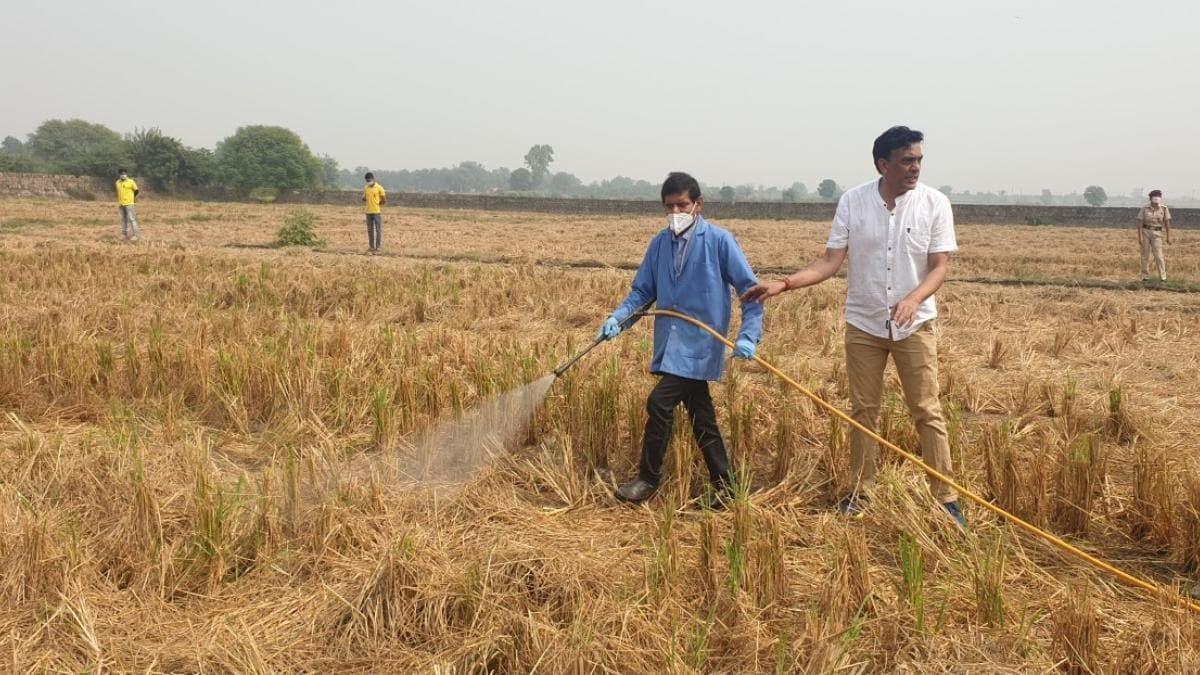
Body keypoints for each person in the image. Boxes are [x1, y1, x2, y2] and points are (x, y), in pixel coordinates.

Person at [742, 125, 965, 527]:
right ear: (884, 164)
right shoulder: (853, 202)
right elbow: (830, 262)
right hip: (864, 324)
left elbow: (940, 267)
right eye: (906, 160)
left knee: (927, 411)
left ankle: (945, 499)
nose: (915, 167)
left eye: (918, 159)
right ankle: (861, 492)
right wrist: (784, 284)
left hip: (915, 326)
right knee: (864, 411)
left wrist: (914, 300)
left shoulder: (935, 203)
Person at [601, 171, 763, 507]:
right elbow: (643, 292)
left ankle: (647, 480)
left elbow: (751, 292)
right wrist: (618, 318)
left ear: (698, 205)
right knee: (701, 414)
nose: (676, 212)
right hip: (670, 344)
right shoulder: (659, 244)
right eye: (669, 206)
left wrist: (749, 336)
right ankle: (727, 484)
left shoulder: (720, 241)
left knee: (659, 403)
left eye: (682, 205)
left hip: (701, 345)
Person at [1136, 189, 1172, 283]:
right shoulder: (1144, 208)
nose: (1156, 201)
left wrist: (1169, 236)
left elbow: (1167, 223)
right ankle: (1145, 277)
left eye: (1158, 198)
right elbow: (1139, 223)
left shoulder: (1164, 208)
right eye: (1154, 198)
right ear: (1151, 199)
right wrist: (1140, 237)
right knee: (1145, 255)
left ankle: (1163, 277)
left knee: (1159, 256)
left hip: (1157, 233)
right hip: (1145, 232)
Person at [362, 172, 387, 255]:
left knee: (378, 230)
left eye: (369, 180)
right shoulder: (366, 188)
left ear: (373, 178)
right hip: (368, 212)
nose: (368, 182)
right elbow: (364, 198)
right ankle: (371, 247)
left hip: (376, 212)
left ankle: (378, 248)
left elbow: (384, 199)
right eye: (367, 181)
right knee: (370, 230)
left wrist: (379, 204)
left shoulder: (379, 188)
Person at [115, 168, 140, 242]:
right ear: (119, 174)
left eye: (125, 173)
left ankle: (136, 235)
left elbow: (136, 190)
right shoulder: (117, 182)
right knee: (123, 219)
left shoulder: (131, 181)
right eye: (122, 173)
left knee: (132, 219)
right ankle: (124, 234)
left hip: (129, 203)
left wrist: (132, 198)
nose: (123, 175)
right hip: (121, 203)